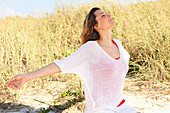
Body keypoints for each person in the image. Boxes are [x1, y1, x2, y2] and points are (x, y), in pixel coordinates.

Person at [5, 7, 141, 113]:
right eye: (103, 15)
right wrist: (27, 77)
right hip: (101, 109)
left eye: (107, 13)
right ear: (96, 26)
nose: (109, 15)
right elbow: (61, 65)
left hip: (121, 106)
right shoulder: (91, 48)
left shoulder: (118, 45)